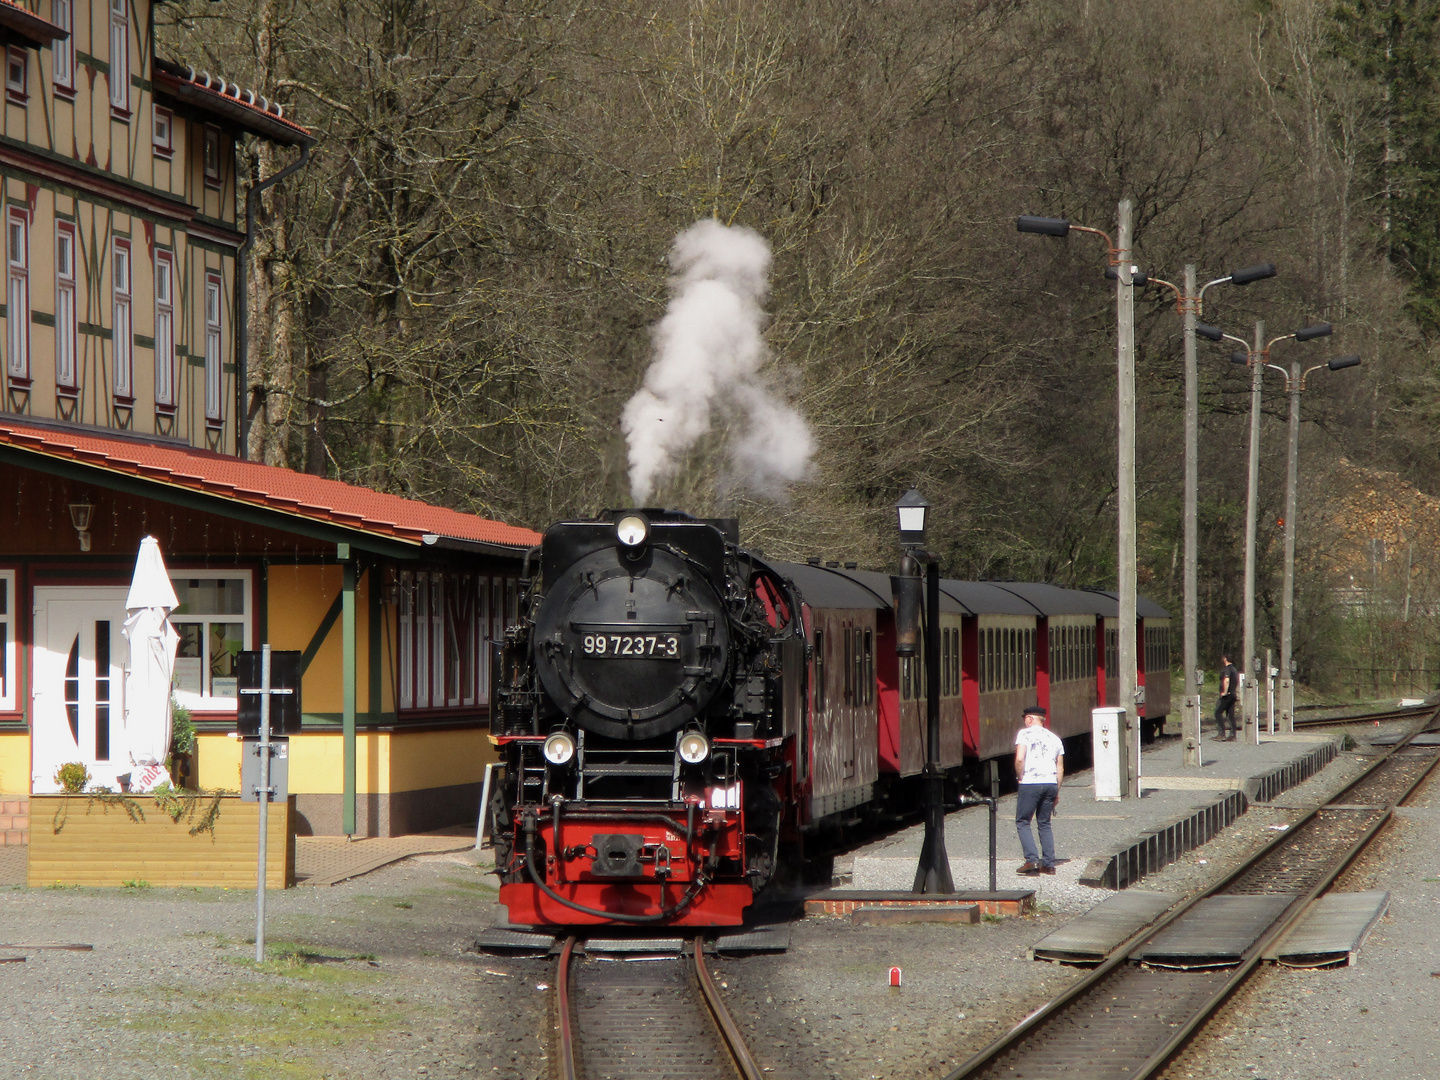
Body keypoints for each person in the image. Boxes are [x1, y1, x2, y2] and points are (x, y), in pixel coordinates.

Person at [1014, 705, 1063, 876]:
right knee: (1044, 822)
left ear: (1029, 719)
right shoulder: (1055, 738)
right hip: (1050, 783)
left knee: (1023, 821)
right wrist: (1056, 790)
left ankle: (1032, 860)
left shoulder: (1024, 734)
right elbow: (1060, 768)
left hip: (1030, 783)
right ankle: (1049, 864)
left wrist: (1020, 777)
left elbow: (1020, 759)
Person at [1214, 653, 1239, 741]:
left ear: (1225, 659)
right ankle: (1232, 735)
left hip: (1227, 695)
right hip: (1233, 694)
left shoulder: (1227, 669)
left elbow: (1226, 681)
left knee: (1217, 712)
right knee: (1230, 715)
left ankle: (1221, 733)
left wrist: (1224, 692)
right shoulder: (1234, 669)